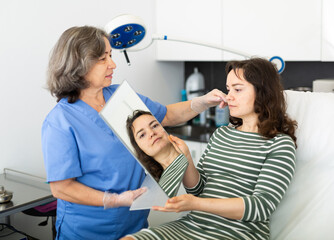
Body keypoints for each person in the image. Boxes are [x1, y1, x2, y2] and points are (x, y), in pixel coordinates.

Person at [42, 25, 226, 239]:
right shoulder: (60, 122)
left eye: (110, 55)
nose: (112, 64)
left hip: (134, 226)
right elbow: (62, 188)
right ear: (79, 63)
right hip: (86, 230)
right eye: (103, 59)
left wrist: (202, 102)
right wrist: (112, 200)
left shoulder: (121, 96)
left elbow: (165, 115)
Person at [122, 58, 298, 240]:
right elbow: (198, 190)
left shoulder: (279, 144)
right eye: (229, 90)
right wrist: (187, 158)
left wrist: (197, 204)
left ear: (263, 92)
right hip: (193, 225)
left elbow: (261, 206)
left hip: (237, 233)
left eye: (237, 89)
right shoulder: (222, 134)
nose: (229, 96)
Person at [126, 110, 188, 197]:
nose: (152, 133)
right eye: (142, 135)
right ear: (139, 148)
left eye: (155, 125)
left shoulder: (189, 158)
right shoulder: (159, 190)